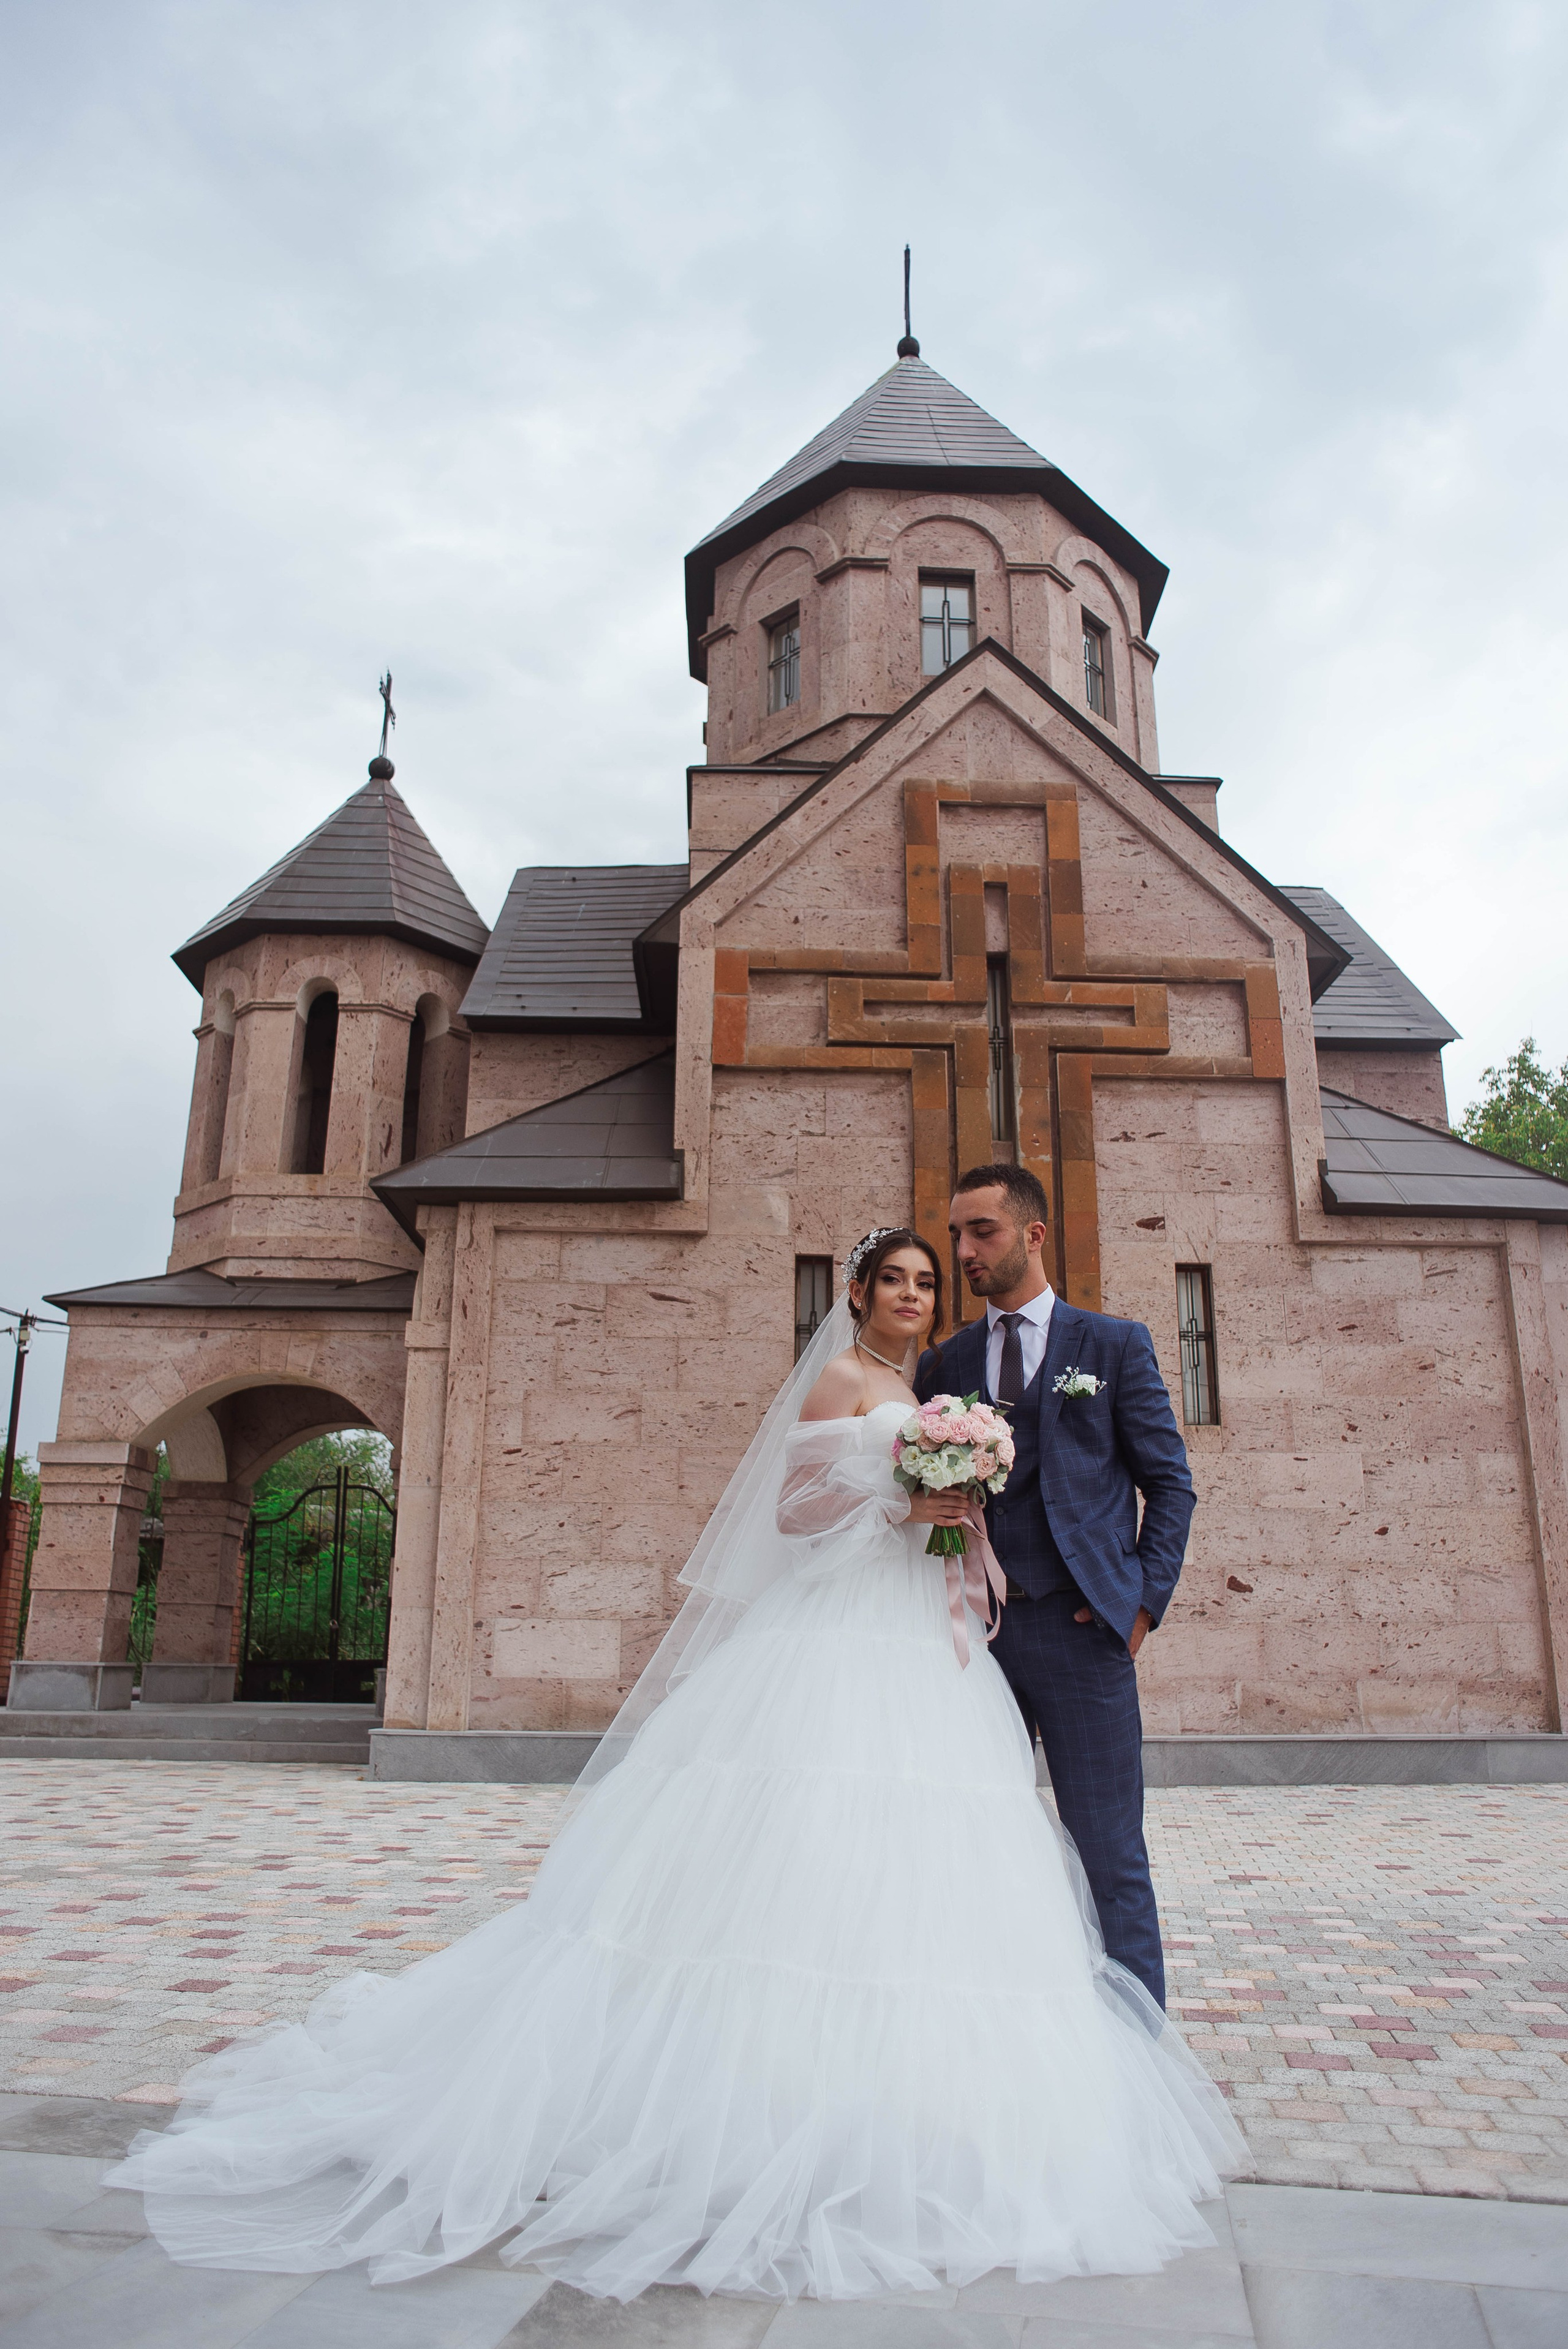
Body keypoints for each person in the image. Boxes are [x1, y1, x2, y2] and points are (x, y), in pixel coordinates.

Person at [107, 1226, 1241, 2302]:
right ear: (854, 1295)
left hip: (930, 1643)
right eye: (895, 1280)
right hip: (841, 1639)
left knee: (976, 1862)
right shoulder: (849, 1381)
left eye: (927, 1281)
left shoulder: (936, 1385)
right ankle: (753, 2112)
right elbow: (798, 1515)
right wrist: (906, 1499)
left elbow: (1074, 1487)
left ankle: (950, 2106)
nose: (915, 1295)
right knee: (801, 1855)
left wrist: (959, 1515)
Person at [916, 1164, 1195, 2007]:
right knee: (974, 1845)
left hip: (1084, 1637)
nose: (964, 1251)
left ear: (1033, 1235)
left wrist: (1139, 1605)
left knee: (1109, 1854)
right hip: (977, 1641)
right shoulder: (947, 1360)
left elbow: (1170, 1483)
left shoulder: (1113, 1346)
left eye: (982, 1232)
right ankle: (1004, 2030)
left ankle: (1138, 2046)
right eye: (957, 1234)